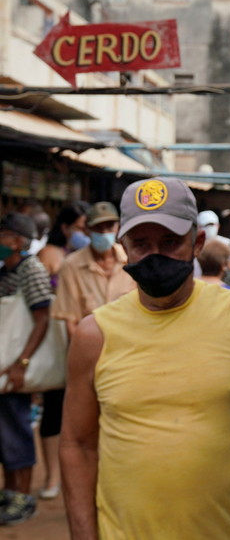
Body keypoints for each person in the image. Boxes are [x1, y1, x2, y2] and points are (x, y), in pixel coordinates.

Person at [59, 177, 230, 540]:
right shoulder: (93, 335)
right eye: (141, 244)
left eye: (171, 242)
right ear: (123, 245)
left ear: (198, 243)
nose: (155, 254)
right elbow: (77, 445)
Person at [47, 201, 136, 501]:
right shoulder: (72, 266)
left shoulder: (132, 262)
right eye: (98, 228)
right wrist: (89, 362)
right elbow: (71, 321)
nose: (104, 233)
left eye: (109, 227)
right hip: (89, 362)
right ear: (88, 230)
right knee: (85, 432)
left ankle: (118, 489)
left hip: (129, 360)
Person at [0, 213, 53, 525]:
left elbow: (43, 319)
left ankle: (23, 497)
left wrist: (22, 363)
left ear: (18, 241)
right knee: (5, 434)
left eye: (3, 235)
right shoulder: (5, 271)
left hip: (15, 367)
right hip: (5, 365)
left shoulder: (30, 270)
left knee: (17, 431)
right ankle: (9, 494)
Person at [36, 201, 90, 279]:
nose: (86, 234)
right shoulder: (50, 254)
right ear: (65, 228)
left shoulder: (95, 256)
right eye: (81, 229)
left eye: (89, 230)